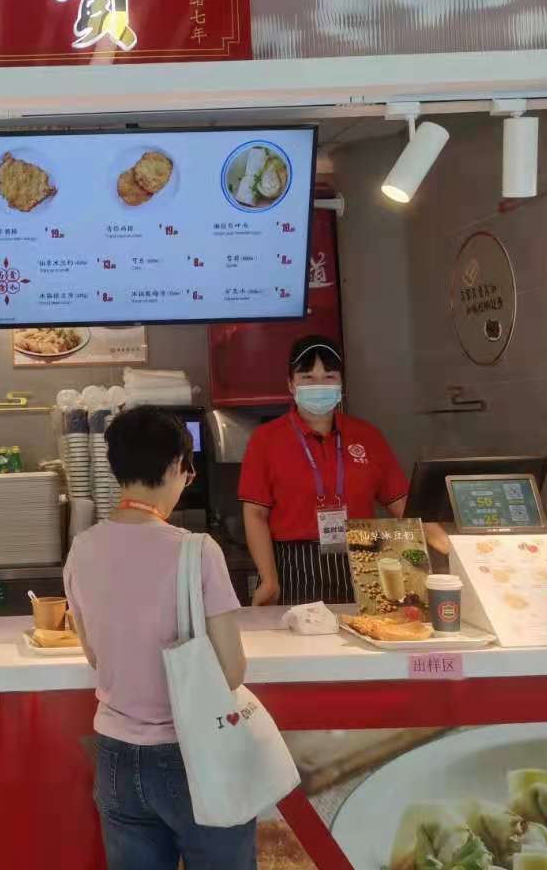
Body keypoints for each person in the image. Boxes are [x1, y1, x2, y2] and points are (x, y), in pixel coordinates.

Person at [65, 405, 254, 870]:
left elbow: (94, 655)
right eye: (187, 470)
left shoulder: (82, 549)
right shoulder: (198, 551)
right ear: (175, 466)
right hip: (193, 752)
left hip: (114, 755)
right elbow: (231, 670)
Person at [239, 335, 431, 607]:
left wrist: (450, 547)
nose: (318, 385)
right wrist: (269, 579)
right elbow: (255, 514)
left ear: (341, 384)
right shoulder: (265, 439)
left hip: (366, 559)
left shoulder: (367, 436)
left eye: (329, 376)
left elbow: (403, 506)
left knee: (364, 633)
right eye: (307, 377)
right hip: (294, 568)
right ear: (291, 384)